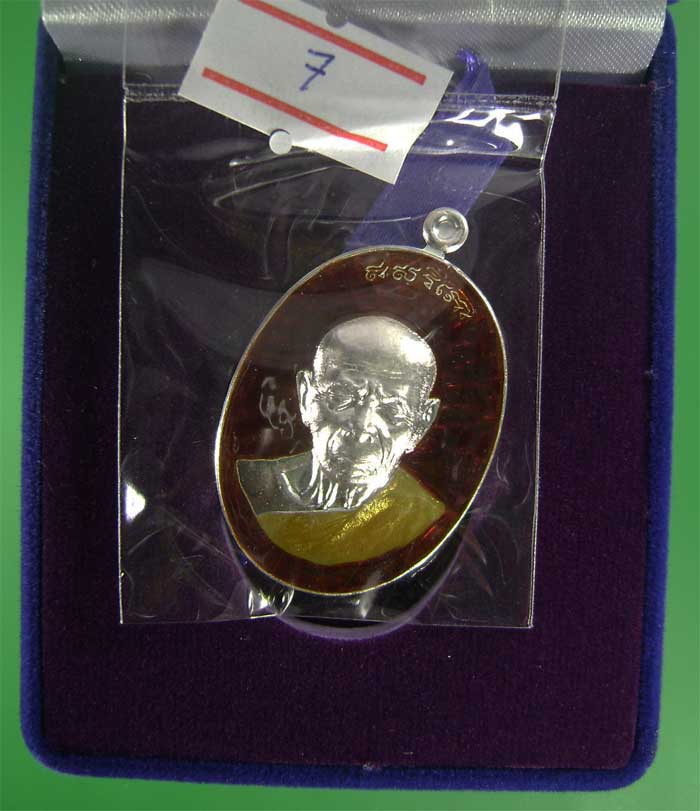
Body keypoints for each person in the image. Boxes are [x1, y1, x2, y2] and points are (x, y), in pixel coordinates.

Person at [237, 315, 445, 566]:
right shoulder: (251, 484)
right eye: (342, 396)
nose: (362, 425)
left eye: (392, 411)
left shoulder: (420, 516)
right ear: (307, 396)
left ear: (421, 424)